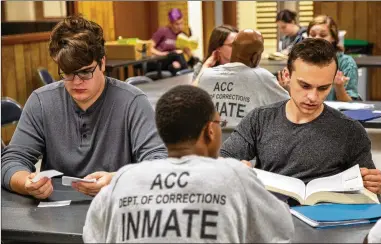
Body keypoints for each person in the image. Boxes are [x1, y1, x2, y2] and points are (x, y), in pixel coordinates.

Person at [83, 85, 294, 243]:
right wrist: (246, 179)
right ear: (209, 131)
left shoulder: (123, 179)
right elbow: (283, 229)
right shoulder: (234, 175)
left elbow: (92, 236)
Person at [1, 16, 167, 199]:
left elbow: (158, 163)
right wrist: (26, 183)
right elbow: (12, 161)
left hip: (115, 209)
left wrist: (117, 180)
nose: (77, 82)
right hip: (54, 217)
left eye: (86, 72)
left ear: (102, 63)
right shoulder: (41, 102)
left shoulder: (132, 102)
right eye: (68, 73)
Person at [221, 39, 381, 196]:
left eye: (323, 88)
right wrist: (235, 168)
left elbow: (379, 192)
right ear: (287, 76)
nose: (313, 97)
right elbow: (221, 162)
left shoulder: (350, 131)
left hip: (328, 222)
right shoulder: (259, 119)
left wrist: (377, 187)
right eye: (305, 86)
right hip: (273, 216)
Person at [195, 29, 289, 127]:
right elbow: (290, 108)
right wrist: (286, 88)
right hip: (246, 140)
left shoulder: (205, 74)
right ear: (255, 57)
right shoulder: (263, 77)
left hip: (211, 140)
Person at [307, 15, 360, 101]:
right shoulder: (302, 62)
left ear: (333, 38)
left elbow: (350, 105)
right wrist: (287, 87)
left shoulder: (346, 63)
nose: (316, 39)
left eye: (323, 35)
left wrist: (339, 87)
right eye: (312, 35)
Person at [150, 8, 193, 76]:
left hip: (172, 62)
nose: (179, 26)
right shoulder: (163, 31)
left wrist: (189, 52)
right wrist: (162, 54)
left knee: (175, 65)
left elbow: (187, 54)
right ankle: (189, 73)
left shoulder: (182, 35)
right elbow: (149, 48)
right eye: (177, 24)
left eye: (181, 23)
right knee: (176, 54)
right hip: (160, 60)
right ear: (170, 23)